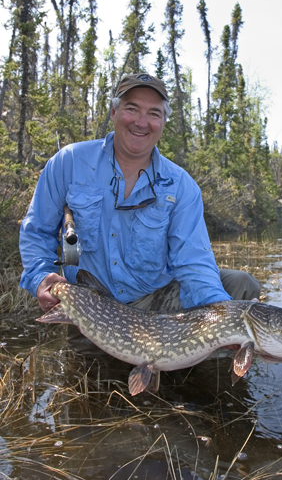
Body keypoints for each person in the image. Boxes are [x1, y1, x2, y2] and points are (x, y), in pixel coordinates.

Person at [19, 73, 261, 317]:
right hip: (89, 305)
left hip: (154, 301)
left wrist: (222, 312)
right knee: (97, 354)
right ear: (114, 112)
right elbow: (37, 232)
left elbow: (194, 262)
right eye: (132, 109)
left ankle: (214, 343)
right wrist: (40, 277)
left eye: (154, 113)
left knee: (241, 286)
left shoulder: (181, 186)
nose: (141, 122)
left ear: (163, 122)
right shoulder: (68, 162)